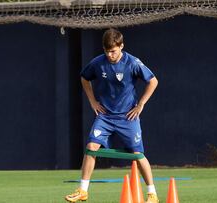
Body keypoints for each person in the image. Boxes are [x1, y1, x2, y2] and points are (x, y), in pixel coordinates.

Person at [65, 28, 159, 203]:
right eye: (106, 51)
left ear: (121, 46)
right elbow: (84, 78)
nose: (110, 54)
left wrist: (141, 105)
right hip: (105, 117)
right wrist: (92, 101)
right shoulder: (97, 63)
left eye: (113, 51)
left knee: (138, 155)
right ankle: (83, 190)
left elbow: (153, 81)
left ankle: (152, 194)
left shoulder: (133, 63)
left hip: (128, 117)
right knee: (91, 147)